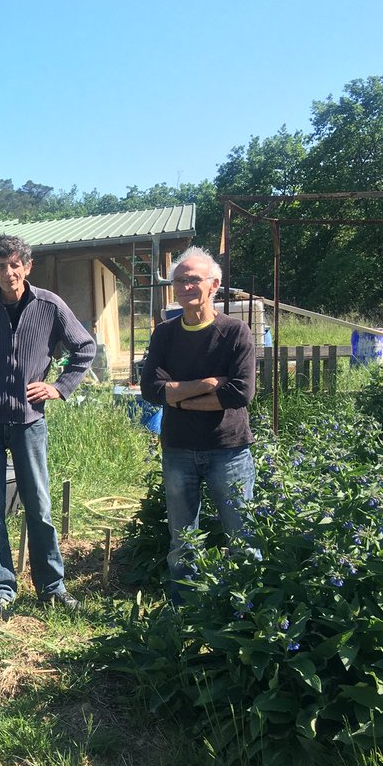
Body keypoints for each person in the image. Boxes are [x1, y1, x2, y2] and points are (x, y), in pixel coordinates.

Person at [0, 234, 95, 614]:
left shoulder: (49, 305)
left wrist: (59, 387)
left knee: (39, 504)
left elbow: (85, 347)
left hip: (29, 422)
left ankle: (52, 586)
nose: (8, 272)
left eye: (15, 264)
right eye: (0, 266)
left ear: (27, 267)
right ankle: (2, 587)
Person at [139, 246, 256, 603]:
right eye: (179, 281)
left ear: (214, 285)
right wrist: (207, 384)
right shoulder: (165, 334)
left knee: (241, 534)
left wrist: (179, 397)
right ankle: (186, 608)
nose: (185, 287)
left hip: (229, 449)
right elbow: (151, 390)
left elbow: (240, 393)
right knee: (182, 537)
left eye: (193, 280)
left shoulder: (235, 331)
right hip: (178, 449)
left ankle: (245, 606)